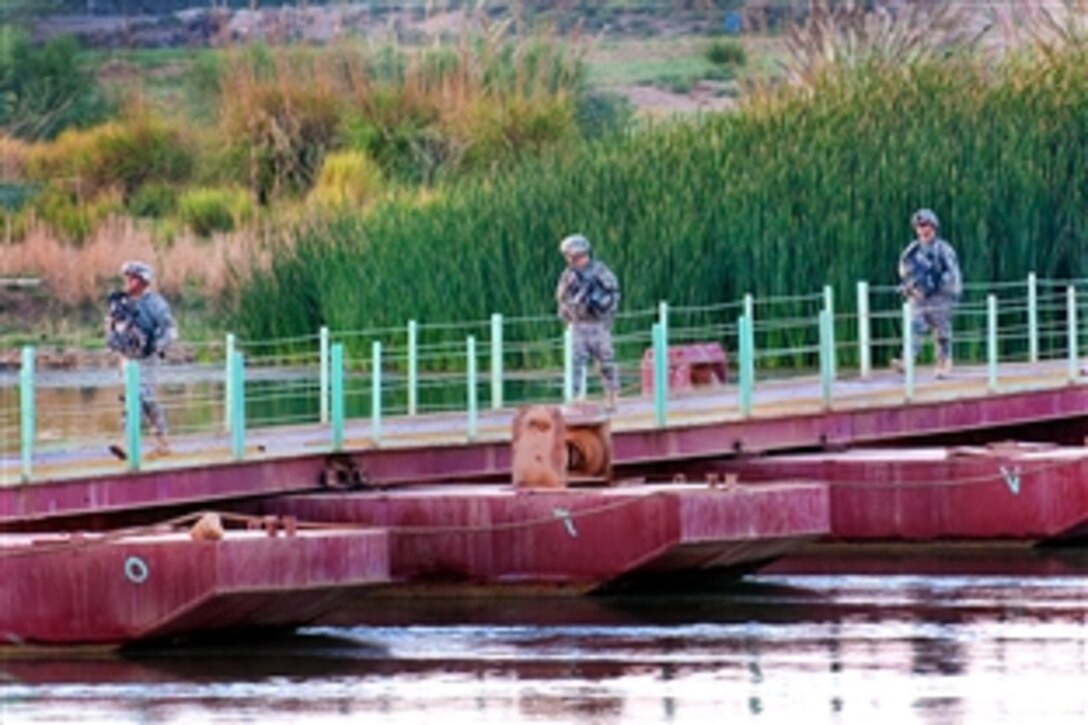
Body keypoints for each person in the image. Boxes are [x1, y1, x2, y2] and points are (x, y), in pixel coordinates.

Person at [105, 260, 177, 458]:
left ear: (143, 281)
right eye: (127, 276)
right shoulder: (121, 302)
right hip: (127, 359)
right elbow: (113, 329)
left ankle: (125, 442)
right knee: (147, 402)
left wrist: (158, 345)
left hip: (148, 360)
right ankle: (163, 443)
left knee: (136, 397)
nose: (128, 280)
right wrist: (117, 352)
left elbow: (171, 331)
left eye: (133, 277)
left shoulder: (155, 303)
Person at [892, 209, 962, 379]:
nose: (923, 230)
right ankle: (907, 361)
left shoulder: (943, 249)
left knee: (941, 333)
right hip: (918, 297)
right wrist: (909, 287)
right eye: (919, 226)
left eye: (926, 225)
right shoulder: (912, 250)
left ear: (933, 227)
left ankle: (943, 364)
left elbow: (953, 273)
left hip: (939, 297)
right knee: (914, 327)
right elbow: (904, 270)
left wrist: (948, 291)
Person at [556, 234, 621, 411]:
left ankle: (612, 398)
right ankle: (575, 399)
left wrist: (600, 305)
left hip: (598, 324)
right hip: (578, 325)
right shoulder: (569, 275)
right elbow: (562, 298)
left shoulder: (599, 271)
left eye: (570, 254)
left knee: (606, 363)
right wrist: (571, 311)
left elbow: (613, 293)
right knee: (575, 363)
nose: (569, 259)